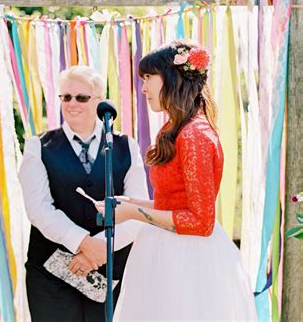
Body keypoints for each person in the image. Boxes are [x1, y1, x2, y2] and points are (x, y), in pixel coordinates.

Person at [96, 41, 257, 320]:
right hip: (161, 251)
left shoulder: (195, 135)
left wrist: (133, 213)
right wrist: (131, 202)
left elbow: (201, 221)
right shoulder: (173, 129)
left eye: (148, 78)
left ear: (172, 78)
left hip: (189, 259)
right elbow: (174, 202)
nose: (143, 88)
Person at [19, 65, 149, 322]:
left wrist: (101, 249)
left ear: (100, 102)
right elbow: (38, 209)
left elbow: (137, 211)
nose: (72, 104)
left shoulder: (126, 146)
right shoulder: (38, 146)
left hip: (112, 273)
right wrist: (83, 244)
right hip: (51, 279)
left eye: (81, 97)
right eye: (66, 97)